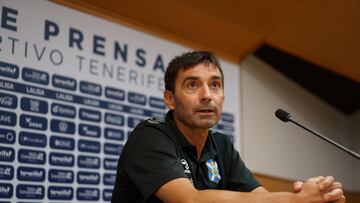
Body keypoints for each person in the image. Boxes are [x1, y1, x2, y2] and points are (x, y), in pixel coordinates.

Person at [111, 51, 345, 203]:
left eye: (215, 85)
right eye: (193, 85)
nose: (207, 96)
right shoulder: (150, 136)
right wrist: (294, 200)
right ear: (170, 99)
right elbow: (189, 200)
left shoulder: (221, 144)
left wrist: (310, 196)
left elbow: (260, 198)